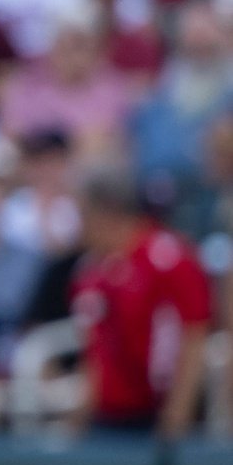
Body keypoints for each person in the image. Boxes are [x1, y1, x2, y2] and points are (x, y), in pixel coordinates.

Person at [71, 167, 214, 436]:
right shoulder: (91, 270)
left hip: (157, 415)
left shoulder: (169, 259)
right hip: (107, 417)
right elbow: (93, 348)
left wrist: (177, 413)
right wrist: (80, 419)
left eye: (83, 214)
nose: (79, 226)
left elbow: (194, 335)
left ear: (106, 213)